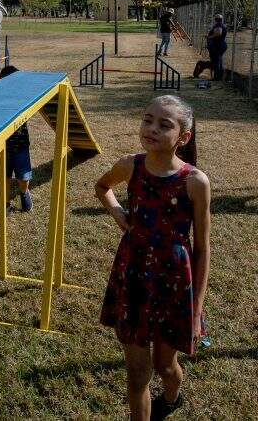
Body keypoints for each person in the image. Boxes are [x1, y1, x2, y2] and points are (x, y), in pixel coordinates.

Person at [95, 95, 210, 421]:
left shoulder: (195, 182)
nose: (152, 128)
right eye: (148, 119)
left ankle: (172, 398)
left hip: (173, 283)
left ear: (183, 137)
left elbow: (202, 248)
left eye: (164, 124)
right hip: (133, 277)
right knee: (138, 375)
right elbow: (102, 186)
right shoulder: (130, 165)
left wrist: (197, 308)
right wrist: (119, 214)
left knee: (165, 366)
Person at [0, 65, 33, 212]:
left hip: (20, 145)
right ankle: (4, 203)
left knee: (23, 177)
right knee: (4, 177)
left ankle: (24, 193)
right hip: (2, 146)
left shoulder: (21, 96)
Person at [206, 14, 227, 81]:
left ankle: (217, 77)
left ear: (216, 19)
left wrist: (209, 37)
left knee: (216, 61)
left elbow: (218, 33)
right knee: (219, 60)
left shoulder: (218, 25)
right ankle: (220, 76)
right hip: (220, 45)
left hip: (218, 46)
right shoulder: (222, 25)